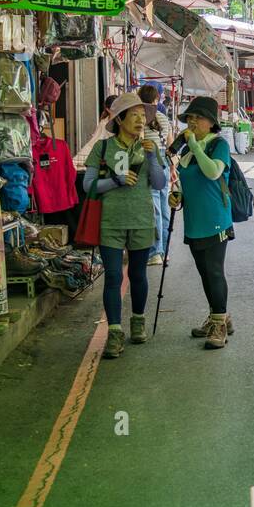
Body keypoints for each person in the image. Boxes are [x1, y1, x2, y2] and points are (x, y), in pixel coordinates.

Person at [83, 91, 166, 359]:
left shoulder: (149, 146)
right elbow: (88, 187)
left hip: (142, 220)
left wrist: (152, 159)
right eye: (134, 115)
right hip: (111, 222)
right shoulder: (103, 149)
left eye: (143, 115)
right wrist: (115, 181)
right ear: (119, 119)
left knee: (139, 274)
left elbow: (160, 183)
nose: (141, 120)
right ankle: (115, 332)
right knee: (114, 276)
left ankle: (138, 322)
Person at [175, 96, 234, 349]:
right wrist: (176, 193)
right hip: (194, 221)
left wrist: (196, 147)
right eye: (189, 118)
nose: (192, 122)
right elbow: (186, 180)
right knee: (203, 273)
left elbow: (213, 172)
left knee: (214, 270)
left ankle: (219, 323)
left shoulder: (217, 145)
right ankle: (217, 316)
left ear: (211, 123)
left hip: (215, 220)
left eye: (197, 117)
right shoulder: (187, 149)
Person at [138, 83, 175, 266]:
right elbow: (171, 147)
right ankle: (166, 251)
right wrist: (173, 168)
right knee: (164, 209)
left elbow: (140, 146)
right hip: (164, 165)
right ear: (156, 99)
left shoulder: (140, 120)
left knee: (155, 212)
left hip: (150, 165)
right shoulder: (163, 118)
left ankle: (156, 252)